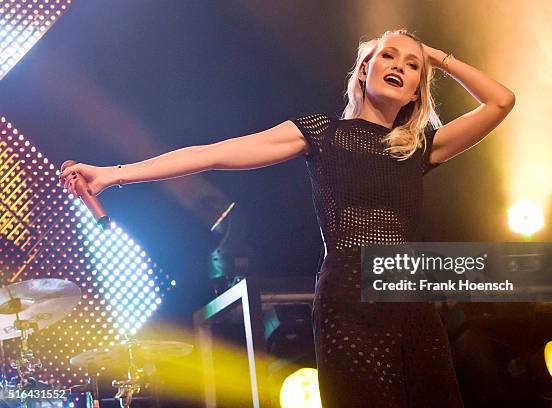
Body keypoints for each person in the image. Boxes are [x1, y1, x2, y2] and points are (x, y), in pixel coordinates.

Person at [61, 29, 514, 407]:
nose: (399, 65)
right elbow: (212, 154)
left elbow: (500, 101)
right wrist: (112, 175)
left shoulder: (418, 148)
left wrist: (437, 56)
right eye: (387, 56)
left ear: (418, 88)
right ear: (363, 70)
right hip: (349, 302)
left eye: (412, 65)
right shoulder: (321, 133)